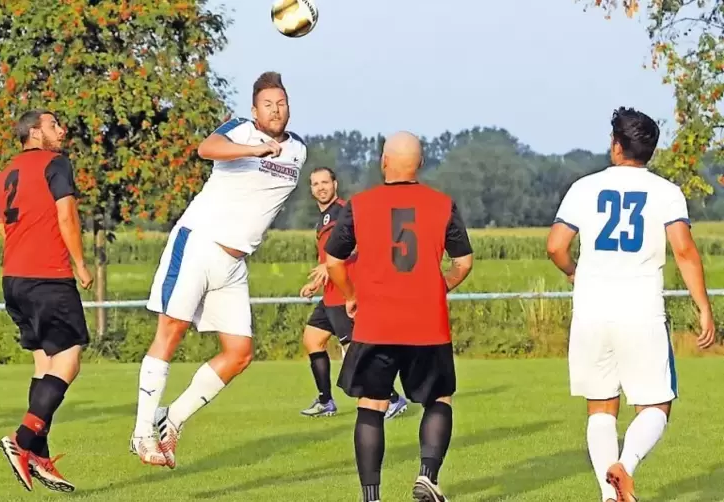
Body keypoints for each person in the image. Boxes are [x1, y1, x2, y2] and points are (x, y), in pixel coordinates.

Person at [129, 71, 308, 469]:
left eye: (281, 103)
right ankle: (141, 434)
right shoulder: (240, 131)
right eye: (267, 104)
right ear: (254, 110)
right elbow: (206, 148)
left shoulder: (298, 151)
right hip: (199, 243)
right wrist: (251, 151)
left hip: (233, 262)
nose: (275, 110)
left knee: (240, 353)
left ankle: (170, 418)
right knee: (170, 331)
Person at [546, 107, 716, 502]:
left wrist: (575, 272)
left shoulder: (584, 188)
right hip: (640, 310)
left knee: (601, 407)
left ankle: (608, 497)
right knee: (657, 404)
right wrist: (703, 306)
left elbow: (555, 246)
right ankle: (627, 465)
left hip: (591, 312)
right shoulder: (666, 192)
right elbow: (685, 251)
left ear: (616, 145)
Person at [324, 131, 473, 502]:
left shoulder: (359, 204)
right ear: (420, 164)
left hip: (377, 322)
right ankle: (427, 476)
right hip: (428, 324)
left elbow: (334, 261)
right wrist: (441, 286)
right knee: (438, 398)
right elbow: (463, 262)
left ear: (384, 162)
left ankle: (371, 496)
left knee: (371, 404)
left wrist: (352, 295)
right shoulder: (442, 204)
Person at [0, 110, 93, 493]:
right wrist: (80, 265)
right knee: (69, 358)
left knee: (44, 363)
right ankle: (22, 439)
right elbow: (66, 216)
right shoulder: (56, 163)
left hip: (14, 279)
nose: (61, 130)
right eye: (54, 125)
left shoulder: (3, 175)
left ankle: (39, 455)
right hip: (48, 276)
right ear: (34, 132)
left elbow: (3, 227)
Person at [299, 166, 408, 419]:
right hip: (329, 292)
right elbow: (328, 255)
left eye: (325, 182)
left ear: (335, 184)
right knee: (312, 340)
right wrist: (318, 280)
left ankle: (392, 398)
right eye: (315, 184)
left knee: (354, 352)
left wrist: (330, 265)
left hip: (345, 291)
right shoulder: (324, 217)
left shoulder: (345, 211)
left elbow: (366, 242)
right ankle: (325, 401)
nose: (321, 187)